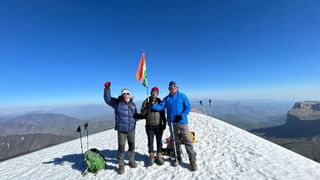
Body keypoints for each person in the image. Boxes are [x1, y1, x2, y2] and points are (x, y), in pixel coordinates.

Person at [152, 81, 198, 171]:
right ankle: (178, 157)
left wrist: (181, 115)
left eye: (174, 87)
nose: (172, 88)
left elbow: (187, 107)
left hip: (182, 122)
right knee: (175, 141)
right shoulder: (167, 98)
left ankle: (192, 160)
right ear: (169, 89)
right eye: (170, 87)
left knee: (187, 140)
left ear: (177, 87)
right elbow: (161, 107)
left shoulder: (182, 96)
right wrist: (153, 106)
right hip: (172, 123)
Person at [103, 81, 142, 175]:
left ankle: (131, 161)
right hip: (121, 130)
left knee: (132, 146)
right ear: (122, 95)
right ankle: (121, 165)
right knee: (121, 147)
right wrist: (107, 89)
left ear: (130, 95)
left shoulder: (133, 104)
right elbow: (107, 99)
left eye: (127, 93)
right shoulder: (117, 103)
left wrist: (141, 116)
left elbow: (134, 116)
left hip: (131, 129)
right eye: (124, 93)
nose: (125, 95)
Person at [141, 86, 166, 166]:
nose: (154, 93)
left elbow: (162, 113)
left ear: (157, 94)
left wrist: (164, 123)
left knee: (159, 141)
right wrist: (148, 106)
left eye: (156, 92)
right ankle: (151, 156)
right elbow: (142, 113)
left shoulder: (159, 101)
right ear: (151, 92)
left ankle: (159, 156)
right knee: (150, 142)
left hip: (159, 126)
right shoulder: (146, 101)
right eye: (153, 92)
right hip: (149, 126)